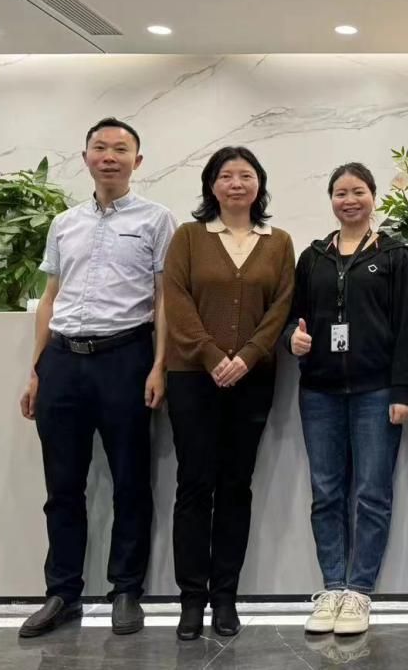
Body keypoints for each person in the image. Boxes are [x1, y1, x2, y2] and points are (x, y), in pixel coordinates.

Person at [17, 118, 175, 638]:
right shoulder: (65, 223)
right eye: (100, 148)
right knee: (62, 485)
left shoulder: (157, 220)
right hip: (63, 361)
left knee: (130, 481)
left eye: (120, 149)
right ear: (85, 157)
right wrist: (37, 369)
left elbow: (164, 299)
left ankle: (126, 590)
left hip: (124, 358)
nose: (110, 156)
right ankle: (62, 592)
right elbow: (50, 297)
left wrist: (158, 364)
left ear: (137, 160)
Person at [163, 147, 295, 640]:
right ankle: (191, 600)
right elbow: (176, 300)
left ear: (259, 184)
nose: (236, 183)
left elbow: (281, 306)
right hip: (193, 378)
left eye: (245, 175)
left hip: (252, 379)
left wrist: (249, 355)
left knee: (237, 486)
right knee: (194, 485)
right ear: (211, 185)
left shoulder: (278, 242)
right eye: (225, 176)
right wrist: (212, 356)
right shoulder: (189, 236)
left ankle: (225, 598)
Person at [287, 163, 408, 637]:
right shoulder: (313, 257)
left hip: (375, 391)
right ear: (331, 200)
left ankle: (359, 591)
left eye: (358, 191)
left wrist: (402, 391)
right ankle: (332, 588)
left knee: (371, 494)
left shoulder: (394, 254)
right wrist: (293, 338)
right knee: (326, 493)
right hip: (319, 391)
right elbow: (294, 317)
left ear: (373, 196)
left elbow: (406, 329)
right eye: (340, 192)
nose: (349, 200)